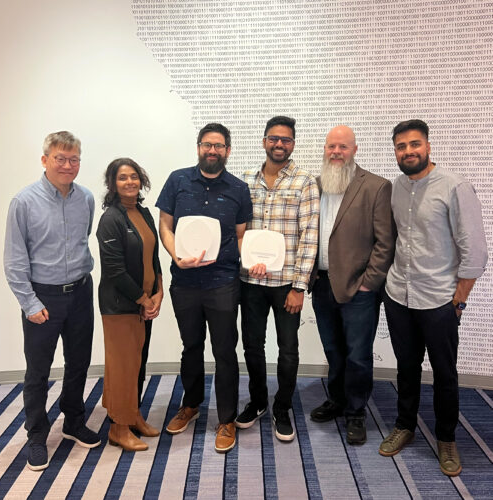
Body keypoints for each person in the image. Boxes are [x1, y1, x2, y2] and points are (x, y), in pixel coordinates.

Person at [379, 120, 488, 476]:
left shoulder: (455, 187)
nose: (408, 151)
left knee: (444, 373)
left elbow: (475, 250)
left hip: (439, 300)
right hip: (399, 295)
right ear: (395, 151)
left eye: (415, 144)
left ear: (427, 146)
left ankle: (446, 438)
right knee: (406, 367)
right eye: (401, 146)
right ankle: (405, 425)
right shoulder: (396, 188)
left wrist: (459, 299)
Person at [4, 131, 100, 471]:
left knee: (79, 362)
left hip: (80, 292)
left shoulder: (85, 198)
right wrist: (30, 303)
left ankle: (73, 421)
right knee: (38, 371)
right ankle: (36, 435)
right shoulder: (24, 202)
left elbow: (82, 240)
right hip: (42, 297)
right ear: (45, 160)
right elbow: (14, 260)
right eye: (60, 158)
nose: (67, 165)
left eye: (74, 159)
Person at [157, 123, 253, 453]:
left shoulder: (239, 188)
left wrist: (246, 260)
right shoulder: (177, 180)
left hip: (223, 282)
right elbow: (165, 226)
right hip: (184, 282)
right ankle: (191, 405)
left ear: (228, 150)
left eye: (219, 145)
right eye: (207, 144)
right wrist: (176, 256)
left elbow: (240, 235)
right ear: (198, 147)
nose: (213, 150)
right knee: (191, 346)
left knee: (224, 350)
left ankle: (226, 419)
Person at [308, 125, 395, 445]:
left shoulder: (376, 186)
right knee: (333, 350)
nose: (336, 152)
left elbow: (385, 242)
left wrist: (368, 284)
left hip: (359, 289)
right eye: (331, 146)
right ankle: (338, 399)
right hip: (322, 285)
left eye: (343, 147)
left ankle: (356, 411)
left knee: (358, 354)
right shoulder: (314, 185)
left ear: (354, 150)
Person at [236, 116, 320, 441]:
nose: (279, 144)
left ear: (293, 144)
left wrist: (299, 286)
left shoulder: (305, 182)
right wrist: (246, 261)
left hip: (287, 284)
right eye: (273, 138)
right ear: (264, 142)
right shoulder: (245, 180)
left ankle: (282, 407)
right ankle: (258, 401)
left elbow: (309, 236)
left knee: (288, 350)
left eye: (285, 139)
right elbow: (237, 230)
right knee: (252, 346)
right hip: (251, 282)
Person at [97, 158, 163, 451]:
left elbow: (153, 257)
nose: (130, 182)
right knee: (122, 367)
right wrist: (143, 299)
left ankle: (133, 415)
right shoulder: (111, 219)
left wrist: (159, 292)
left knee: (137, 363)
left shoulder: (143, 213)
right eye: (122, 177)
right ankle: (118, 428)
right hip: (120, 307)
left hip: (143, 305)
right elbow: (114, 270)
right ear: (113, 184)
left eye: (134, 176)